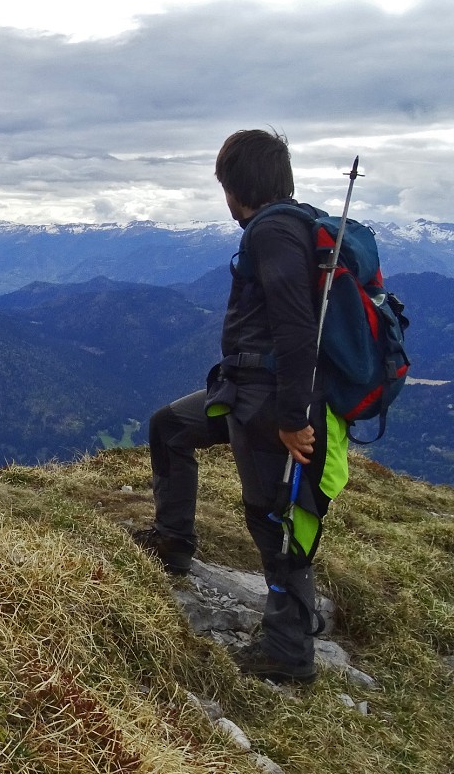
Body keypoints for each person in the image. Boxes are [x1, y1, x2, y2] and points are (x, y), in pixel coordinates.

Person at [132, 128, 349, 683]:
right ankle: (174, 543)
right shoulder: (293, 226)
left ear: (238, 185)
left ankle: (288, 650)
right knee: (170, 427)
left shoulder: (271, 233)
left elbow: (298, 329)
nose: (224, 198)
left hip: (268, 404)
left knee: (270, 514)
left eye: (225, 184)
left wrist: (293, 418)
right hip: (242, 393)